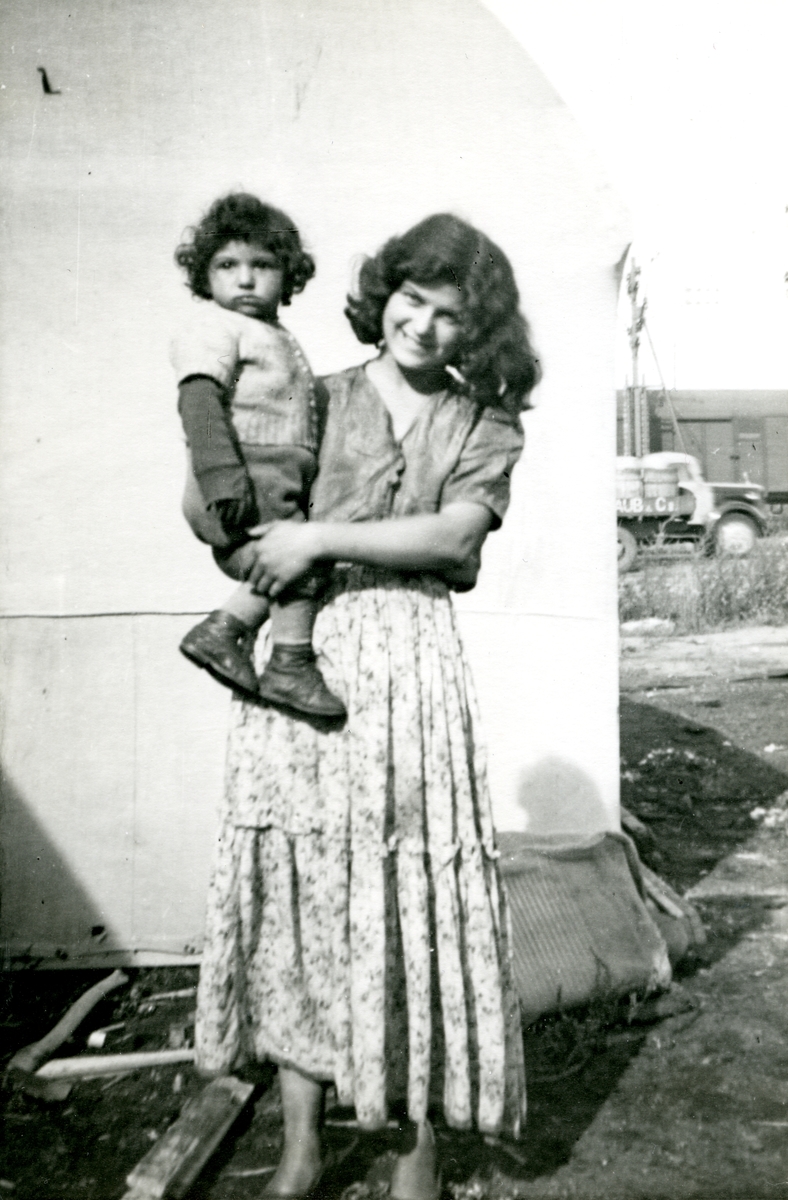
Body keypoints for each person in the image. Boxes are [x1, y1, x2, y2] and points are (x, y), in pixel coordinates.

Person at [193, 213, 541, 1200]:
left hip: (408, 666)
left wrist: (314, 542)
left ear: (475, 332)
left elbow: (455, 543)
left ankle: (409, 1142)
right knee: (304, 881)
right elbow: (245, 508)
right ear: (382, 293)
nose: (422, 327)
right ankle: (301, 1136)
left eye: (448, 315)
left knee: (408, 899)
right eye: (411, 300)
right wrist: (231, 514)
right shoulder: (314, 393)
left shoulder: (485, 422)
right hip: (304, 653)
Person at [171, 192, 345, 719]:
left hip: (271, 476)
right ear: (206, 275)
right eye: (227, 265)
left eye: (262, 265)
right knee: (301, 564)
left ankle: (224, 630)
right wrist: (224, 480)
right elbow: (199, 401)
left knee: (293, 563)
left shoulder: (273, 334)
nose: (245, 279)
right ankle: (289, 665)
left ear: (287, 275)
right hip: (242, 473)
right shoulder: (213, 327)